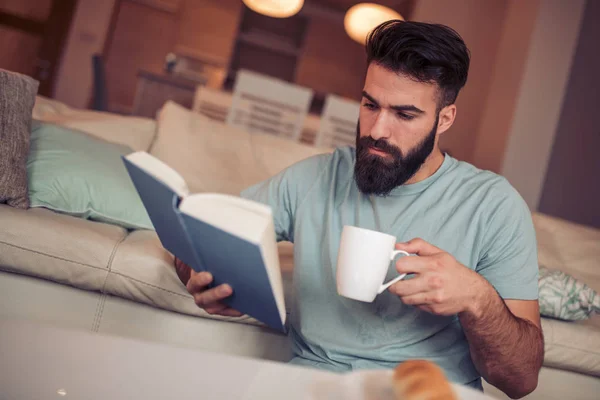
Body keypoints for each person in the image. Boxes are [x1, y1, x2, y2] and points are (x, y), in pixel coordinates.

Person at [175, 20, 544, 398]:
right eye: (370, 105)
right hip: (311, 386)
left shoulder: (494, 205)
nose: (377, 130)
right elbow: (197, 240)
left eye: (404, 114)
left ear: (445, 118)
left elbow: (521, 380)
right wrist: (206, 275)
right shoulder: (313, 179)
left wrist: (477, 299)